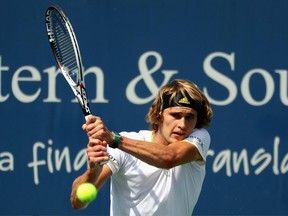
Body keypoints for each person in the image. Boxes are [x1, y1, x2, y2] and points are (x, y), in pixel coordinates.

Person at [71, 79, 213, 216]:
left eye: (190, 117)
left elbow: (170, 158)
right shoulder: (123, 147)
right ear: (159, 116)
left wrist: (115, 140)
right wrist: (93, 172)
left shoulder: (199, 138)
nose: (182, 124)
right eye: (176, 115)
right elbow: (77, 203)